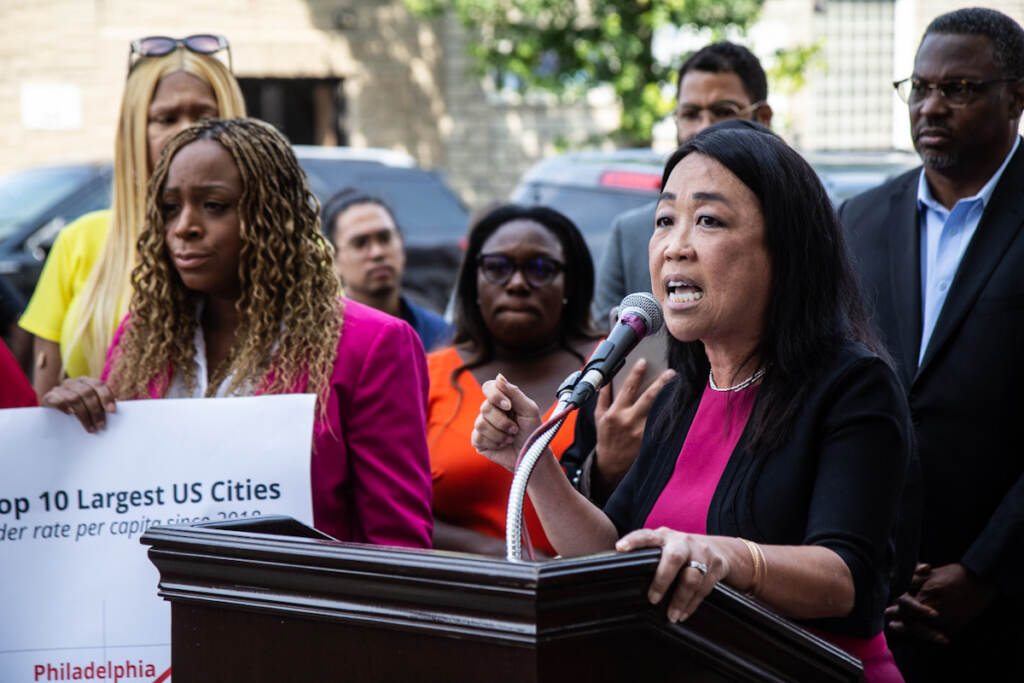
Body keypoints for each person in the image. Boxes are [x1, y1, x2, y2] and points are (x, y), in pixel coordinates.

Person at [473, 123, 911, 682]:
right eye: (664, 220)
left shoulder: (854, 385)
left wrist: (726, 557)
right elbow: (613, 554)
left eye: (708, 220)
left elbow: (845, 577)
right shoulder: (680, 397)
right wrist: (532, 460)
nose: (676, 245)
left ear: (785, 250)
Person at [41, 117, 433, 548]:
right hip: (158, 608)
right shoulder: (140, 338)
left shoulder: (371, 344)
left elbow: (398, 545)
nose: (184, 227)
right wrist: (70, 428)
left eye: (214, 205)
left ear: (273, 215)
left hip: (302, 611)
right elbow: (113, 503)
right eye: (171, 208)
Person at [839, 8, 1024, 680]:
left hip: (1003, 600)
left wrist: (985, 569)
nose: (931, 106)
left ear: (1017, 94)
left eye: (960, 88)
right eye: (918, 88)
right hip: (872, 590)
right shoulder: (859, 219)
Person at [19, 35, 246, 399]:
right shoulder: (78, 242)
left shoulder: (285, 244)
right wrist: (64, 400)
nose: (186, 131)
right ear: (133, 133)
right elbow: (43, 404)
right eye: (165, 118)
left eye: (206, 116)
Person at [427, 204, 604, 556]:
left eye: (540, 268)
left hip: (577, 593)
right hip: (454, 590)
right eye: (497, 267)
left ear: (570, 282)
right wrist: (505, 555)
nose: (518, 283)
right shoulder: (426, 373)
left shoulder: (609, 368)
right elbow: (396, 512)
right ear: (473, 282)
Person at [591, 41, 773, 324]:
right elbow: (605, 336)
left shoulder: (813, 221)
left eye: (723, 111)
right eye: (689, 115)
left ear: (762, 118)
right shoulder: (629, 233)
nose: (703, 127)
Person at [322, 188, 452, 352]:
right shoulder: (323, 343)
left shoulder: (441, 336)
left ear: (401, 241)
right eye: (360, 243)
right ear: (334, 259)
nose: (377, 252)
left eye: (385, 238)